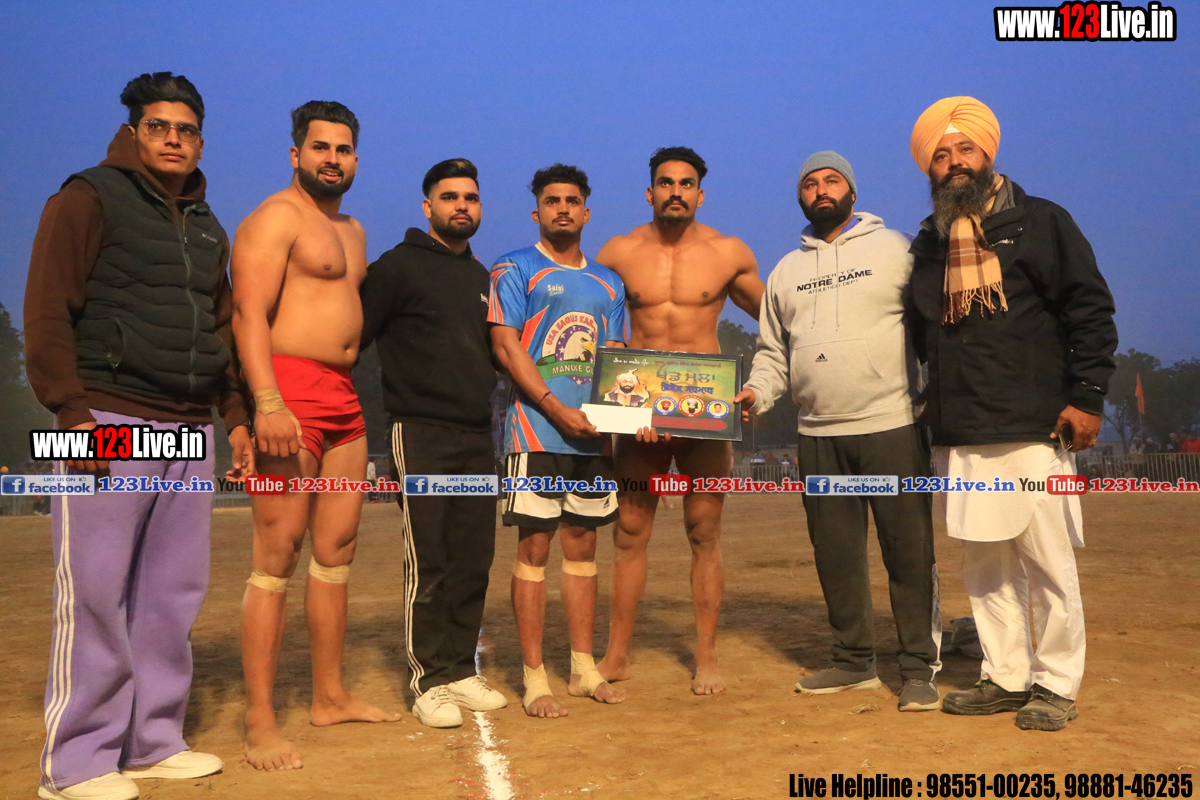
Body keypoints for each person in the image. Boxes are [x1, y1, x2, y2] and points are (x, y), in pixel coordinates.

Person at [24, 72, 253, 800]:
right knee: (96, 592)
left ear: (201, 142)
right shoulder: (86, 197)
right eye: (159, 126)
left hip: (187, 427)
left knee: (169, 595)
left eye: (186, 130)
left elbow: (218, 329)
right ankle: (76, 764)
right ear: (132, 131)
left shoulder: (208, 226)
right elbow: (46, 307)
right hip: (106, 418)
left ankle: (152, 741)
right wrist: (70, 412)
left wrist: (236, 416)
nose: (173, 140)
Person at [907, 97, 1118, 731]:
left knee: (1047, 562)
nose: (953, 163)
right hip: (962, 431)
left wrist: (1087, 397)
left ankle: (1056, 684)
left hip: (1034, 427)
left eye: (964, 150)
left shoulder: (1042, 221)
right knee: (983, 564)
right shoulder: (929, 242)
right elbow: (922, 335)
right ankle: (1004, 676)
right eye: (940, 156)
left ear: (987, 154)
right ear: (928, 168)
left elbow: (1089, 309)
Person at [736, 150, 943, 712]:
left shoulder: (897, 248)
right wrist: (757, 392)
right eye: (810, 183)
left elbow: (935, 326)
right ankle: (854, 662)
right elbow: (773, 354)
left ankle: (918, 667)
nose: (820, 189)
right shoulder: (785, 271)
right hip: (819, 436)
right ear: (800, 196)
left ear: (852, 190)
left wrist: (939, 394)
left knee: (908, 553)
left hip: (892, 426)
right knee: (836, 554)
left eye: (831, 180)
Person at [232, 100, 400, 772]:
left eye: (344, 149)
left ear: (356, 158)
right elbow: (247, 314)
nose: (333, 159)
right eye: (321, 147)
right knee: (277, 553)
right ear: (295, 153)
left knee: (336, 550)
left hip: (344, 397)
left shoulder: (353, 231)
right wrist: (266, 402)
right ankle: (259, 720)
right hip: (290, 389)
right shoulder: (275, 217)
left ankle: (329, 696)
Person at [596, 147, 764, 694]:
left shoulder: (727, 252)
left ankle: (706, 657)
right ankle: (617, 654)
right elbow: (597, 328)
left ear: (700, 194)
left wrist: (759, 384)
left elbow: (779, 319)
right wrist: (619, 408)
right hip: (640, 414)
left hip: (706, 415)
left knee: (704, 532)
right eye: (666, 183)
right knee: (629, 533)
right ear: (650, 192)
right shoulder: (618, 252)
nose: (675, 191)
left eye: (685, 184)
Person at [359, 159, 503, 728]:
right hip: (419, 431)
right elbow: (353, 339)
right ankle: (428, 681)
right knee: (431, 559)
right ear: (427, 207)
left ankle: (461, 668)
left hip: (477, 435)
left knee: (473, 557)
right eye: (449, 197)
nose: (461, 206)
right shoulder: (395, 267)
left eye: (471, 197)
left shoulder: (482, 277)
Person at [488, 163, 628, 718]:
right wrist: (555, 408)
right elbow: (506, 347)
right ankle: (533, 676)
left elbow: (617, 362)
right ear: (537, 212)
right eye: (552, 201)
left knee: (584, 547)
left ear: (587, 212)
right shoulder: (515, 267)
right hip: (535, 431)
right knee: (534, 549)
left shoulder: (609, 282)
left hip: (590, 439)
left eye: (572, 201)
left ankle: (583, 669)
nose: (563, 208)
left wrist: (622, 418)